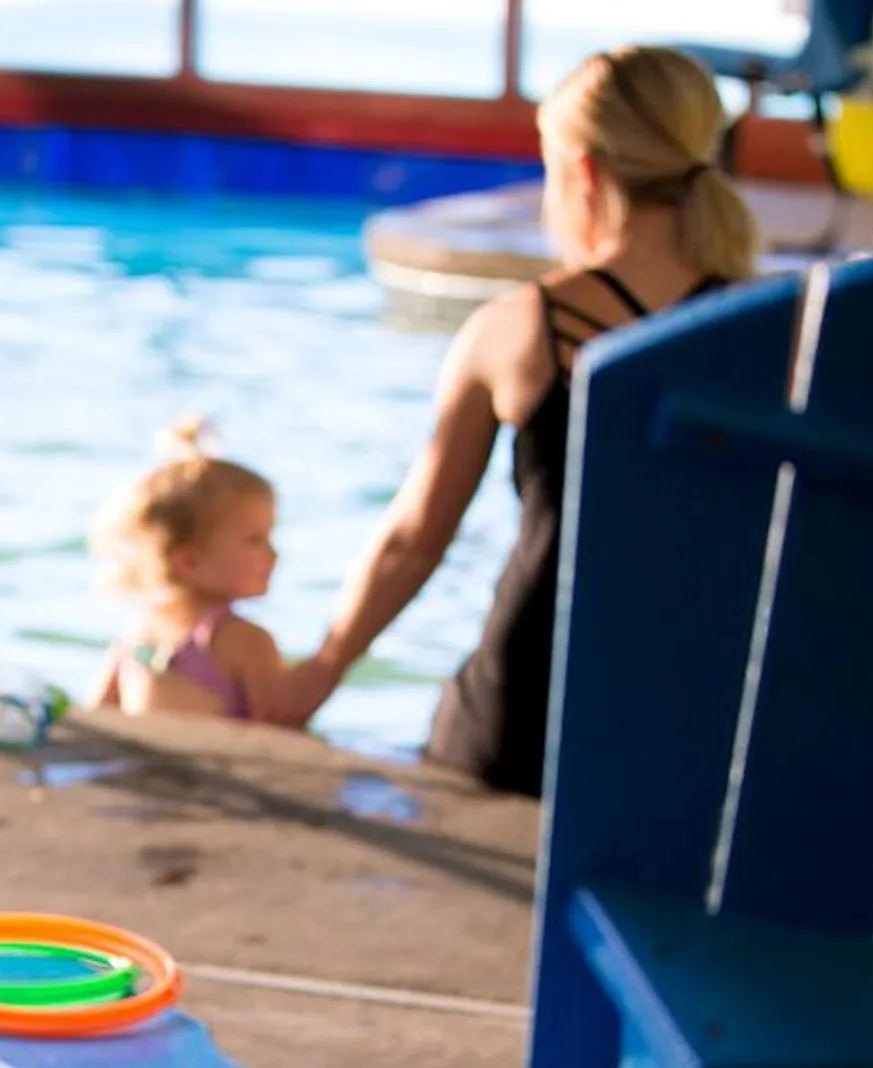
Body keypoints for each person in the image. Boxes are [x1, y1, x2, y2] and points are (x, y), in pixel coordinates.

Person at [284, 45, 759, 794]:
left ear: (584, 172)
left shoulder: (521, 329)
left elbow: (413, 541)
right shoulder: (776, 331)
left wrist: (318, 674)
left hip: (529, 715)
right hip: (696, 722)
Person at [88, 419, 303, 724]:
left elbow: (95, 716)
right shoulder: (246, 643)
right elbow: (281, 731)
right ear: (189, 560)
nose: (274, 553)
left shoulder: (139, 632)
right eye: (256, 540)